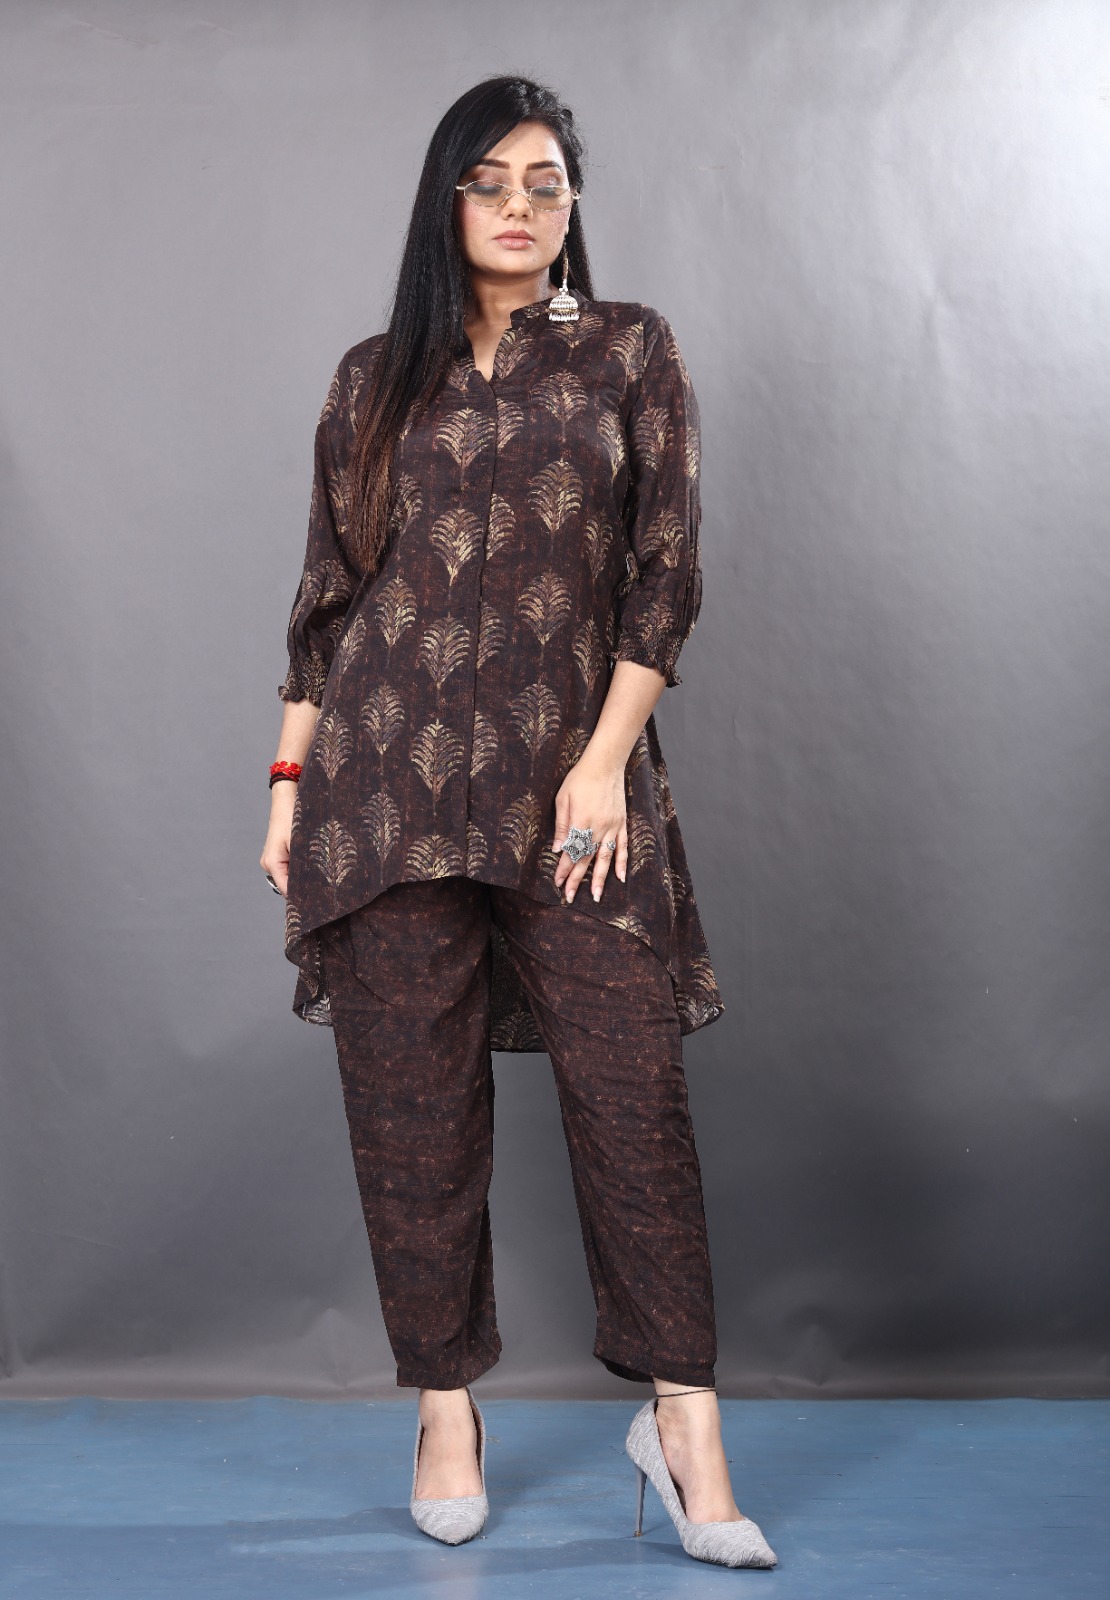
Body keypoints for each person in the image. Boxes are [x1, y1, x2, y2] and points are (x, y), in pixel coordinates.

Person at [259, 75, 776, 1570]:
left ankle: (685, 1431)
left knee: (631, 1098)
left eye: (546, 182)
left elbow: (665, 574)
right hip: (382, 795)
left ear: (572, 205)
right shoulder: (374, 377)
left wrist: (604, 760)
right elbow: (328, 599)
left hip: (572, 792)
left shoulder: (627, 349)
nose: (519, 206)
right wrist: (287, 787)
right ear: (446, 201)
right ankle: (443, 1410)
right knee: (409, 1109)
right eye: (489, 181)